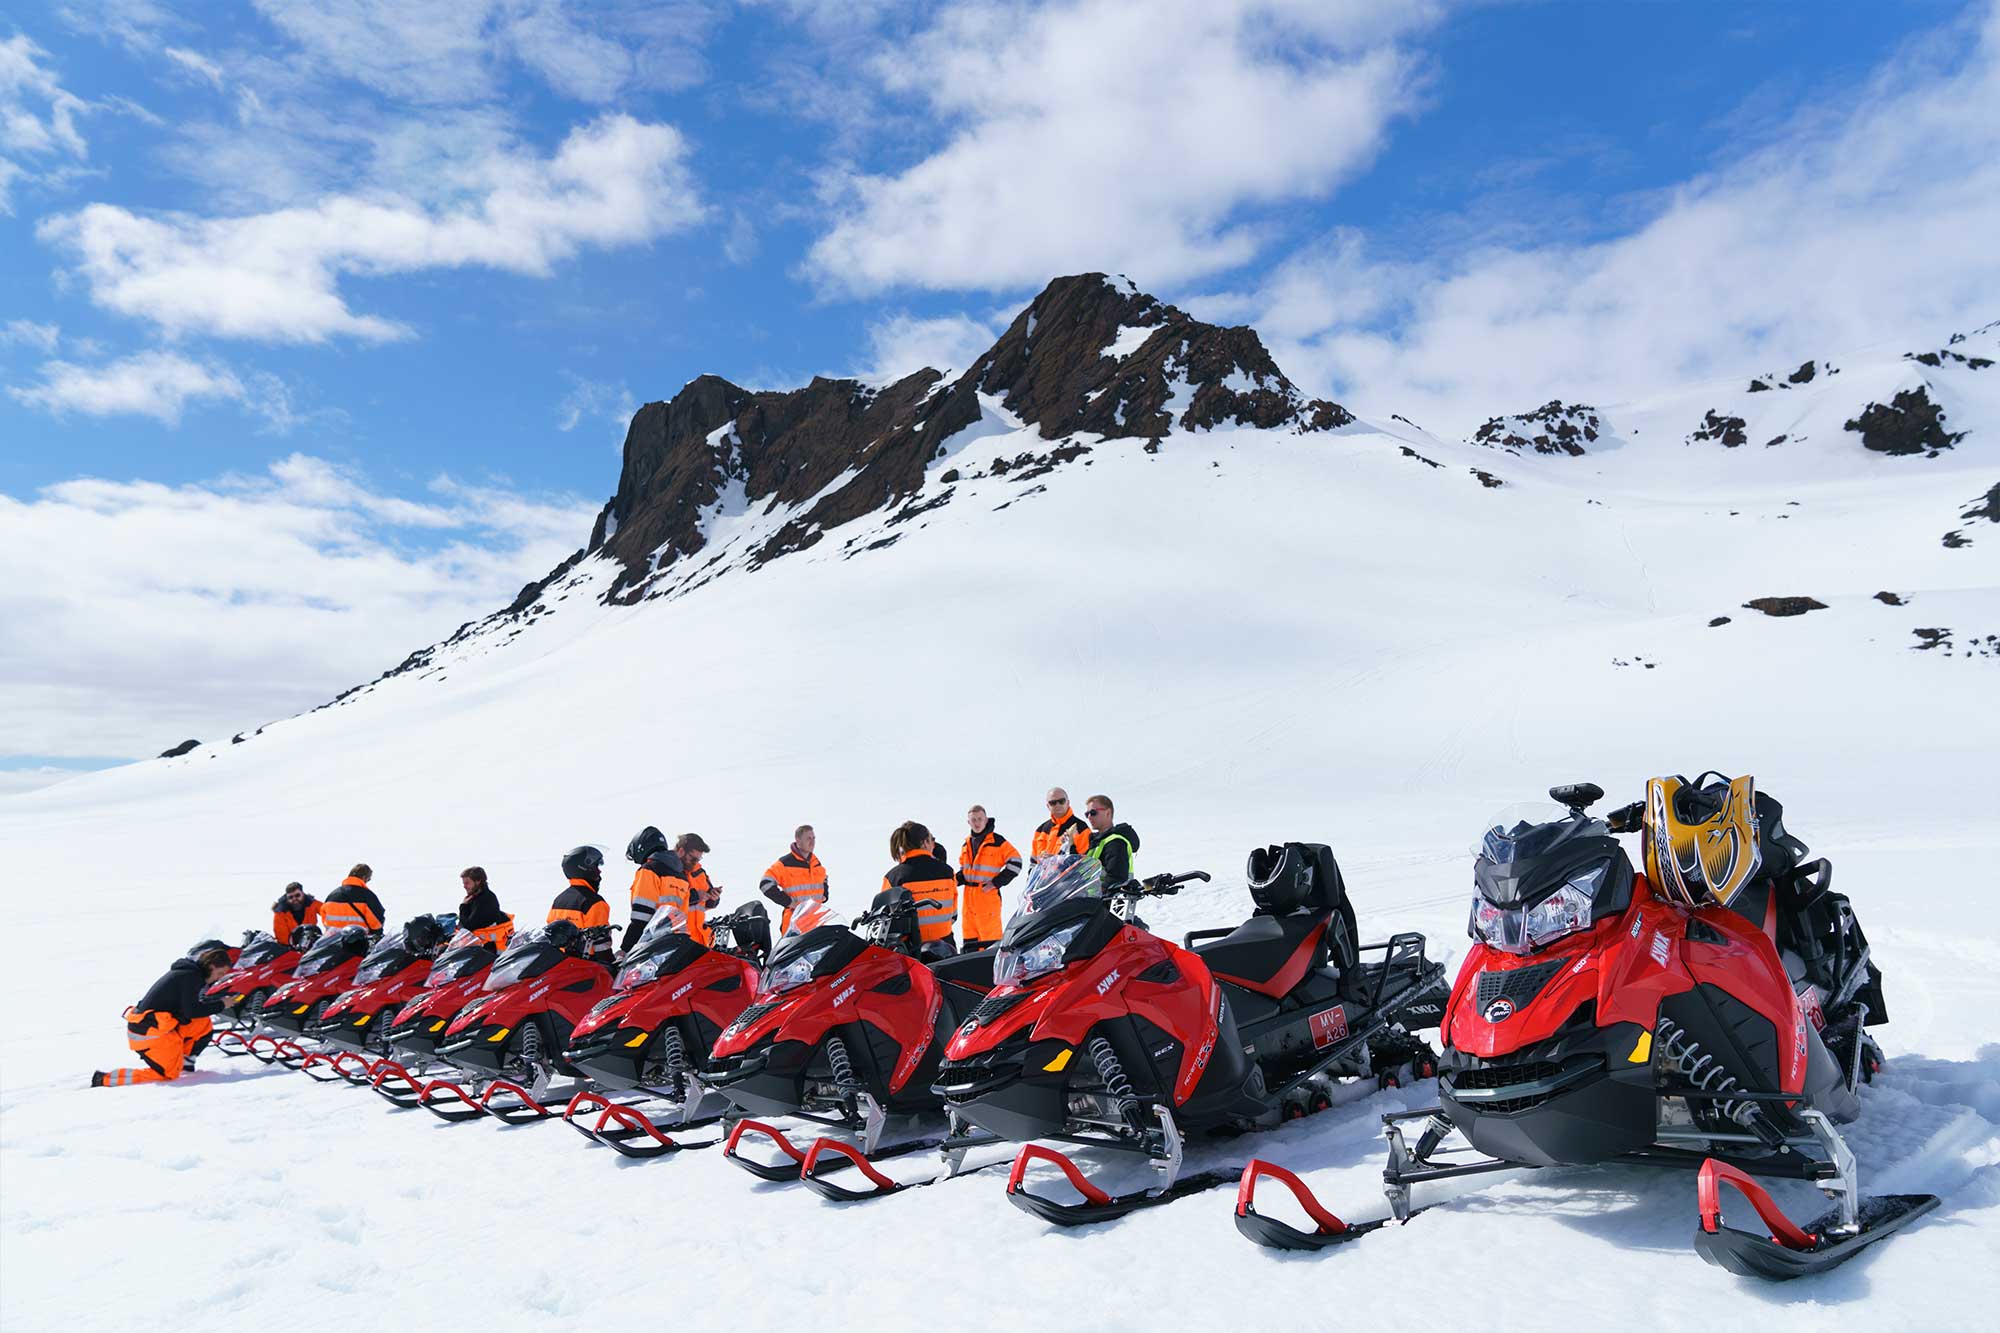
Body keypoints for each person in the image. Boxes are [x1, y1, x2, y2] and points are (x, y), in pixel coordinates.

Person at [92, 941, 233, 1087]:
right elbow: (192, 1011)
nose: (219, 977)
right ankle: (104, 1079)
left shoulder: (191, 974)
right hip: (147, 1032)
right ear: (211, 967)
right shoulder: (190, 977)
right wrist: (222, 1004)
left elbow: (191, 1010)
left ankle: (185, 1063)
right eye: (220, 973)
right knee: (167, 1074)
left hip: (159, 1026)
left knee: (202, 1024)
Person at [882, 821, 959, 960]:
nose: (934, 845)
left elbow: (885, 919)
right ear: (924, 843)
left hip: (912, 954)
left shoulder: (894, 877)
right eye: (932, 840)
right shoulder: (948, 872)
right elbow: (953, 914)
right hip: (946, 950)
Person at [957, 805, 1022, 951]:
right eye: (973, 820)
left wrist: (996, 882)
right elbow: (964, 873)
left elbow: (1016, 862)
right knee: (969, 945)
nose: (977, 822)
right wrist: (950, 881)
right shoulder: (965, 844)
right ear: (968, 822)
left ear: (986, 820)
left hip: (987, 899)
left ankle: (991, 973)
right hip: (968, 901)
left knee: (990, 944)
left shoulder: (997, 842)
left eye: (980, 819)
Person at [547, 846, 614, 964]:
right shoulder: (595, 903)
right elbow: (601, 946)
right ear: (585, 868)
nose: (599, 871)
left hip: (561, 965)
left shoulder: (558, 901)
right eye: (596, 866)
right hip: (588, 967)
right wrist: (612, 968)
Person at [760, 825, 829, 934]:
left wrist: (825, 894)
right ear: (798, 840)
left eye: (813, 838)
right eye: (808, 838)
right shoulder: (785, 863)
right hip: (794, 926)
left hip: (815, 923)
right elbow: (765, 884)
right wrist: (788, 902)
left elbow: (824, 878)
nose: (812, 842)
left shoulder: (816, 863)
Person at [1081, 794, 1140, 887]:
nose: (1089, 817)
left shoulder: (1115, 843)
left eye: (1093, 812)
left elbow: (1116, 877)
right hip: (1086, 897)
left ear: (1108, 813)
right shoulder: (1096, 842)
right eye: (1086, 814)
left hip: (1104, 899)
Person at [678, 834, 721, 947]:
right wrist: (695, 897)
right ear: (681, 851)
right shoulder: (670, 872)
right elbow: (667, 903)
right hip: (678, 941)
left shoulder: (700, 873)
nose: (695, 862)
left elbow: (707, 904)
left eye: (698, 859)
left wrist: (713, 897)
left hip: (701, 940)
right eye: (693, 858)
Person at [321, 863, 387, 935]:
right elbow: (377, 923)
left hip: (332, 941)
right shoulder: (367, 896)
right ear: (364, 877)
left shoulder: (332, 895)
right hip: (358, 941)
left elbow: (324, 917)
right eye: (369, 879)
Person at [457, 866, 513, 949]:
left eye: (467, 883)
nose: (464, 886)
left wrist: (463, 906)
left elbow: (467, 927)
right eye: (463, 883)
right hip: (478, 945)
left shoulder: (486, 899)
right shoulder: (474, 898)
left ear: (478, 881)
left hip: (488, 949)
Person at [1031, 788, 1091, 864]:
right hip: (1044, 875)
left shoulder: (1081, 828)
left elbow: (1084, 862)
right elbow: (1033, 864)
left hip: (1069, 875)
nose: (1058, 805)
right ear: (1048, 806)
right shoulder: (1041, 830)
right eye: (1053, 803)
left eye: (1061, 801)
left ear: (1068, 803)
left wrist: (1056, 860)